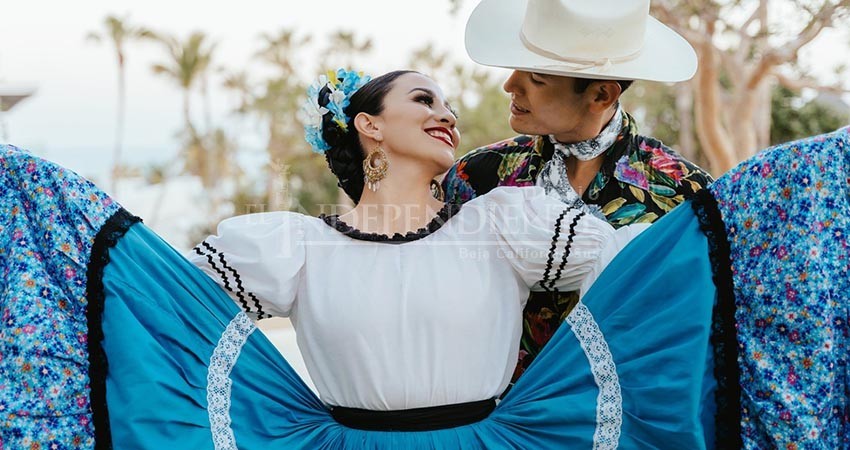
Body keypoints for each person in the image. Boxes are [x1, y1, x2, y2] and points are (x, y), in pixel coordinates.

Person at [2, 68, 721, 450]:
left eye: (448, 104)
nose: (448, 114)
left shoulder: (505, 221)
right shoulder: (293, 248)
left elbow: (650, 274)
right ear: (369, 125)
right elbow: (157, 305)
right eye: (424, 99)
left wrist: (732, 226)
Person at [442, 0, 715, 381]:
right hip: (498, 407)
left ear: (601, 95)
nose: (510, 84)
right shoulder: (476, 176)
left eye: (537, 78)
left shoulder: (685, 195)